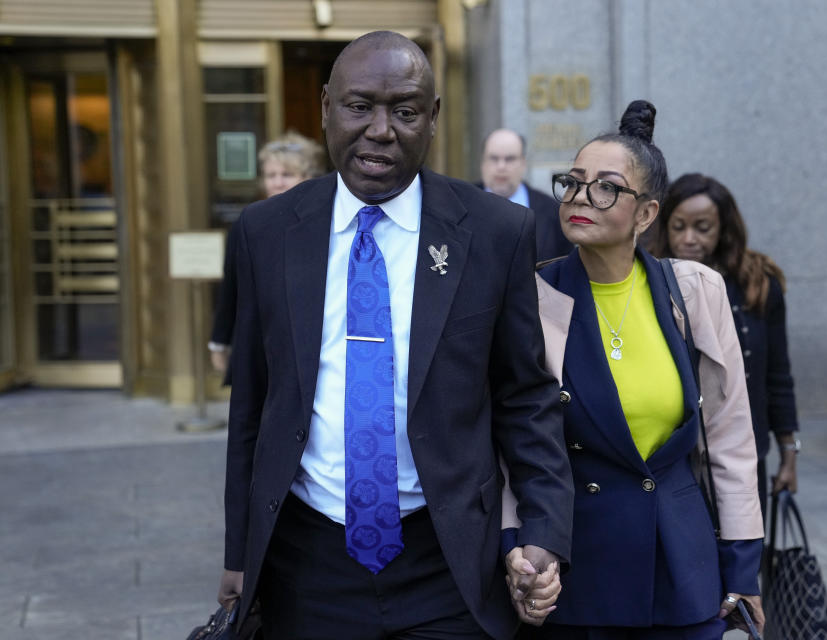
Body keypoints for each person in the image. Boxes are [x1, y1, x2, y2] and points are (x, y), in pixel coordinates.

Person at [216, 30, 574, 640]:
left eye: (404, 111)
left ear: (432, 118)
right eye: (359, 107)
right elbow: (252, 406)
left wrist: (543, 532)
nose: (380, 130)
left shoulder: (495, 233)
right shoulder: (266, 232)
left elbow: (525, 398)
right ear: (326, 105)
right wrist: (236, 553)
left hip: (449, 558)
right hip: (308, 562)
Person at [523, 100, 765, 639]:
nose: (581, 197)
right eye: (573, 182)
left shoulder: (695, 290)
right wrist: (518, 549)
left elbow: (729, 436)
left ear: (647, 214)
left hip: (683, 562)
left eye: (606, 186)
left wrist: (743, 567)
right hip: (578, 566)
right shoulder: (533, 297)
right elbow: (514, 440)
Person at [656, 173, 800, 518]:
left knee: (742, 556)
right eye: (678, 227)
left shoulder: (756, 283)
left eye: (702, 227)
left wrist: (789, 453)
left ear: (724, 229)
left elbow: (777, 372)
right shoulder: (650, 278)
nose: (689, 239)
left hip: (744, 448)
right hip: (673, 455)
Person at [208, 132, 324, 378]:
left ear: (308, 178)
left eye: (287, 175)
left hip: (310, 342)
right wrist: (219, 342)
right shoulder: (248, 223)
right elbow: (231, 288)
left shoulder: (326, 223)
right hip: (258, 339)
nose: (278, 183)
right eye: (271, 175)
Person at [479, 128, 573, 261]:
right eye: (494, 158)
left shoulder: (553, 211)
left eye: (510, 159)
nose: (501, 167)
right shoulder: (461, 201)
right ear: (483, 163)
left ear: (523, 163)